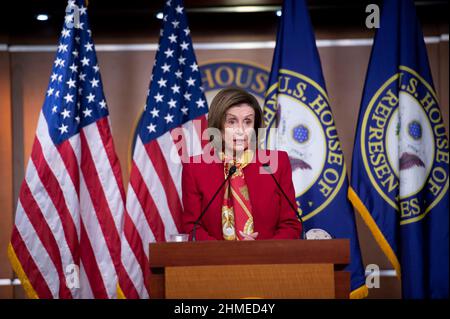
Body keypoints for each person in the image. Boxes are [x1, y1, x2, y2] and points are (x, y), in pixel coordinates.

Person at [181, 87, 302, 241]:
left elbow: (290, 224)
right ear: (218, 126)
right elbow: (192, 227)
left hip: (269, 262)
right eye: (231, 121)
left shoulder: (276, 163)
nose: (241, 130)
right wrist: (227, 253)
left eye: (247, 122)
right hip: (214, 262)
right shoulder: (195, 168)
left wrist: (261, 250)